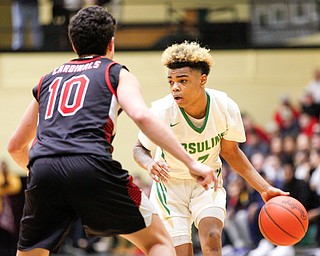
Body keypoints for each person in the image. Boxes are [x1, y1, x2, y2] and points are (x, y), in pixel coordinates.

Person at [7, 6, 218, 256]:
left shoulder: (47, 80)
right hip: (91, 164)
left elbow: (15, 147)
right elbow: (140, 115)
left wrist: (49, 174)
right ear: (111, 44)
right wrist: (190, 162)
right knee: (158, 242)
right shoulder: (115, 72)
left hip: (43, 169)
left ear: (73, 45)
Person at [133, 41, 289, 256]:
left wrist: (264, 188)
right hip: (169, 189)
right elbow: (139, 148)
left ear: (202, 79)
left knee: (213, 238)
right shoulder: (161, 110)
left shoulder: (224, 107)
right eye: (171, 81)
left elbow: (231, 152)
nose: (175, 87)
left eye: (182, 80)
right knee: (182, 252)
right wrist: (149, 163)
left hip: (206, 183)